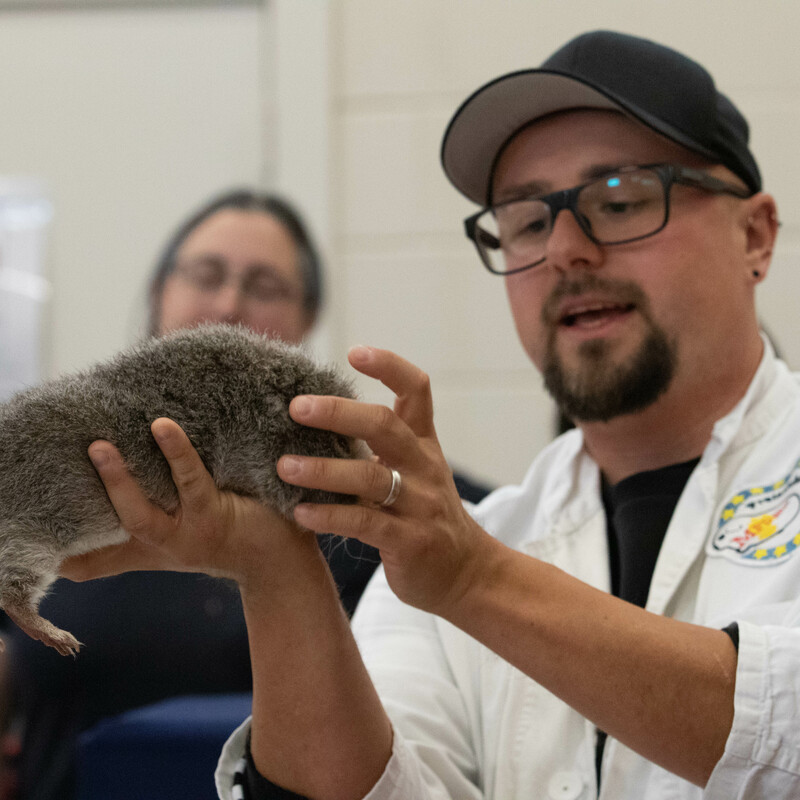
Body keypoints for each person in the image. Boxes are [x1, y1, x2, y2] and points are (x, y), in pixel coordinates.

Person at [60, 28, 798, 799]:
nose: (566, 248)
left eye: (620, 199)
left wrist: (475, 579)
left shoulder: (466, 557)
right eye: (528, 219)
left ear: (755, 234)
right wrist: (276, 570)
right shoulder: (480, 539)